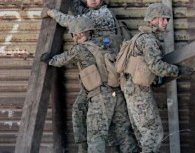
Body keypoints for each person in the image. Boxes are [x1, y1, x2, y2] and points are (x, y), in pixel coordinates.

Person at [44, 0, 127, 152]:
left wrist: (51, 13)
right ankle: (83, 148)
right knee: (80, 111)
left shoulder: (101, 15)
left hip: (103, 78)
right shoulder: (92, 15)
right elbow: (80, 13)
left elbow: (73, 22)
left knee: (100, 128)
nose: (93, 0)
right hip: (96, 77)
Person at [41, 17, 137, 152]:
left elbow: (60, 60)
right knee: (123, 132)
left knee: (96, 134)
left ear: (77, 34)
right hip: (117, 93)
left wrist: (48, 59)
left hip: (100, 96)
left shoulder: (79, 50)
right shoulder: (105, 45)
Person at [118, 3, 193, 153]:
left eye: (167, 20)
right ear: (152, 19)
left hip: (131, 89)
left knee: (144, 135)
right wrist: (178, 70)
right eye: (163, 19)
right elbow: (156, 67)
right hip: (139, 91)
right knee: (153, 132)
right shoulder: (149, 40)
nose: (166, 23)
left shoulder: (139, 37)